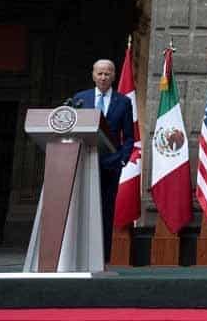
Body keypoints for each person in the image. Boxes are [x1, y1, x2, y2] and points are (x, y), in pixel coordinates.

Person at [73, 59, 135, 263]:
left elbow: (129, 137)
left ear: (114, 76)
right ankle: (80, 253)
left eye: (107, 73)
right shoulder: (80, 99)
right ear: (93, 75)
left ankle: (103, 257)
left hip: (110, 165)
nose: (103, 77)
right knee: (82, 209)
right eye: (99, 73)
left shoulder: (123, 102)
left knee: (106, 211)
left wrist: (122, 159)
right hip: (84, 161)